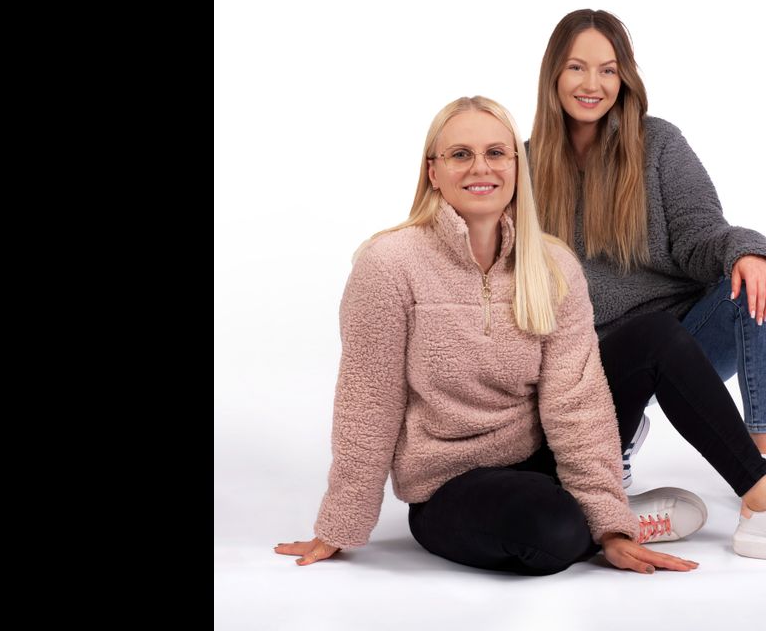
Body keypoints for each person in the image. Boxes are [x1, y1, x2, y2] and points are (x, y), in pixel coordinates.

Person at [274, 96, 707, 576]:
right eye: (460, 154)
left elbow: (575, 400)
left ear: (518, 167)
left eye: (497, 153)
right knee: (551, 529)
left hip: (538, 459)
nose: (481, 167)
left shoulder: (552, 263)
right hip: (450, 485)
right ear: (433, 171)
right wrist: (340, 525)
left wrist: (610, 528)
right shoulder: (389, 264)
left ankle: (728, 504)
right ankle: (604, 515)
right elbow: (369, 400)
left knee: (656, 335)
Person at [526, 10, 766, 566]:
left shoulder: (658, 143)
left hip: (681, 340)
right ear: (553, 75)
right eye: (577, 67)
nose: (593, 84)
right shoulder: (522, 166)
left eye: (608, 70)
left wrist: (748, 252)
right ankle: (611, 473)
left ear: (624, 77)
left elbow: (700, 231)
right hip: (591, 364)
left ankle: (764, 482)